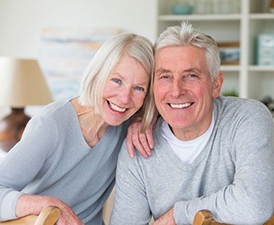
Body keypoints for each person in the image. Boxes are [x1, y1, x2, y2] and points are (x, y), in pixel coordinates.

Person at [0, 32, 155, 225]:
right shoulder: (51, 124)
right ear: (97, 75)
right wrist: (47, 204)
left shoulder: (127, 125)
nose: (125, 98)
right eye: (117, 81)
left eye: (138, 88)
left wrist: (145, 119)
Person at [110, 22, 274, 225]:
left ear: (216, 84)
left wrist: (178, 214)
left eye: (191, 76)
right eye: (165, 76)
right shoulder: (138, 146)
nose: (176, 90)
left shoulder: (246, 118)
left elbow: (253, 206)